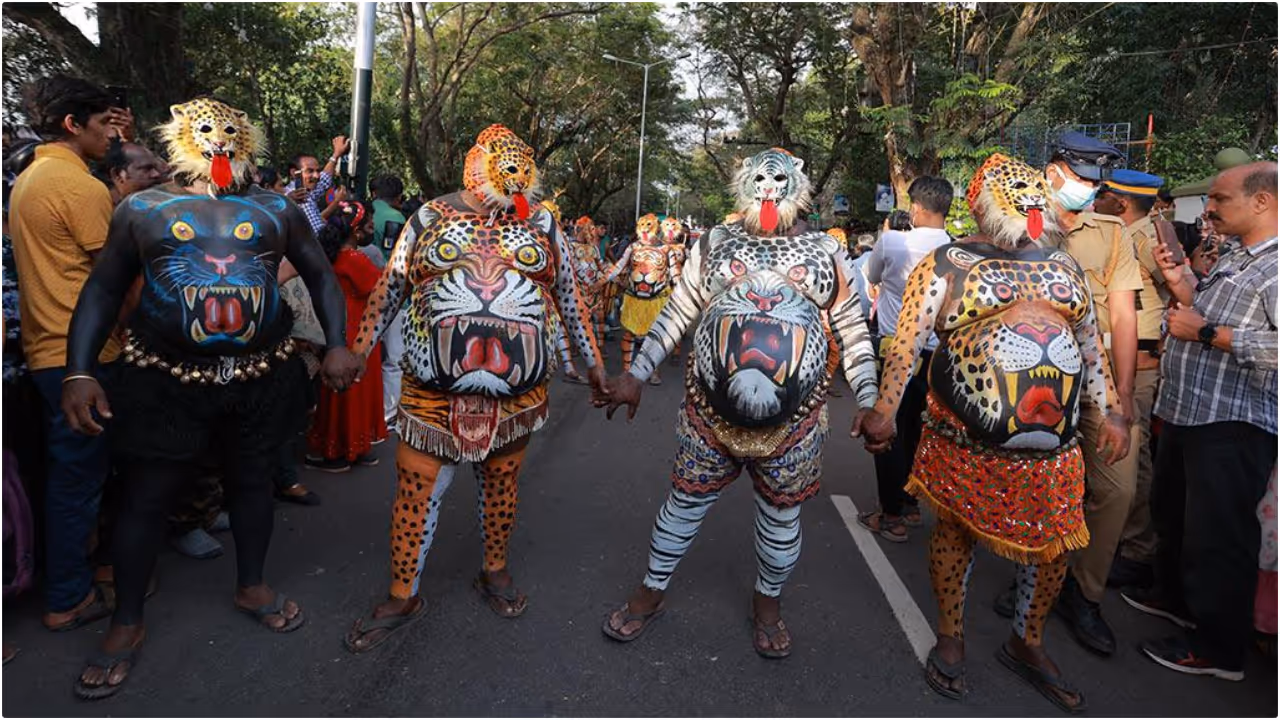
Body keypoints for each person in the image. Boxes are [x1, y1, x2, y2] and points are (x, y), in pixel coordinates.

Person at [59, 97, 361, 699]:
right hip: (163, 378)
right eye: (207, 131)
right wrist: (78, 371)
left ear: (247, 140)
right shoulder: (144, 208)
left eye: (231, 131)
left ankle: (251, 585)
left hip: (261, 374)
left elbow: (320, 274)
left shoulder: (276, 208)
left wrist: (337, 344)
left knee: (252, 483)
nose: (219, 140)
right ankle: (127, 621)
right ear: (181, 139)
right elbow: (103, 289)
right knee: (146, 496)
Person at [860, 153, 1130, 712]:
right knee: (955, 536)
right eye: (1015, 194)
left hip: (1054, 449)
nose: (1028, 204)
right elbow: (906, 343)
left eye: (1034, 193)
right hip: (963, 441)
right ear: (981, 206)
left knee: (1054, 547)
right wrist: (885, 409)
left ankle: (1027, 642)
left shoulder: (1065, 266)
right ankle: (951, 636)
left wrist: (1114, 412)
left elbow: (1090, 349)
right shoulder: (945, 262)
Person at [600, 148, 879, 658]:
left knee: (781, 520)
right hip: (708, 419)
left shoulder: (824, 251)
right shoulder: (714, 243)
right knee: (683, 505)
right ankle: (650, 593)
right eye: (759, 177)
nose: (769, 186)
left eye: (780, 179)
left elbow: (853, 329)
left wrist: (869, 399)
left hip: (793, 428)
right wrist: (636, 374)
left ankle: (766, 604)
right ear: (743, 185)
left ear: (798, 188)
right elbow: (678, 312)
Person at [342, 124, 607, 653]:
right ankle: (402, 593)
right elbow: (390, 288)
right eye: (500, 169)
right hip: (429, 393)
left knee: (501, 487)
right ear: (475, 166)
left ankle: (494, 570)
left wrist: (596, 365)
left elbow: (571, 299)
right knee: (416, 492)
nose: (511, 182)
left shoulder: (544, 224)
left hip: (517, 395)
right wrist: (356, 351)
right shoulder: (430, 216)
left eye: (520, 172)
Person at [1127, 162, 1277, 681]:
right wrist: (1182, 284)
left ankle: (1219, 649)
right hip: (1189, 410)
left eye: (1219, 198)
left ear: (1262, 202)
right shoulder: (1239, 255)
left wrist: (1208, 332)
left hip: (1233, 422)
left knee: (1221, 535)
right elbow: (1208, 310)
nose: (1208, 209)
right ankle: (1174, 599)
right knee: (1176, 515)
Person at [995, 130, 1140, 658]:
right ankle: (1029, 576)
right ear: (1054, 169)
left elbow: (1123, 314)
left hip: (1097, 381)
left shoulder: (1110, 232)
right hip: (1032, 379)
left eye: (1096, 179)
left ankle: (1084, 594)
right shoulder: (1014, 220)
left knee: (1116, 490)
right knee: (1033, 481)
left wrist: (1121, 398)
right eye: (1082, 177)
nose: (1090, 188)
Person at [8, 75, 130, 633]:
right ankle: (69, 597)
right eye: (104, 122)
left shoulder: (30, 180)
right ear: (72, 125)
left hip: (46, 351)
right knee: (79, 480)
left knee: (72, 475)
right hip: (83, 358)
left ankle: (74, 581)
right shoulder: (79, 187)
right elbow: (117, 280)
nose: (113, 134)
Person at [857, 176, 954, 543]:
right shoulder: (958, 250)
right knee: (918, 430)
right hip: (936, 356)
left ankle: (892, 514)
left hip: (897, 351)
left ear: (915, 207)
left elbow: (873, 275)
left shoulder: (893, 241)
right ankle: (911, 504)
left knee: (886, 427)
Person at [1091, 169, 1175, 589]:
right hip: (1114, 360)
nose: (1097, 198)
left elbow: (1177, 285)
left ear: (1120, 203)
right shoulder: (1121, 235)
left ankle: (1137, 549)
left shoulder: (1141, 237)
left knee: (1132, 460)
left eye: (1103, 193)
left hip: (1139, 366)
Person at [305, 201, 386, 471]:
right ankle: (351, 449)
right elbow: (383, 291)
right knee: (354, 391)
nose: (373, 228)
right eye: (369, 224)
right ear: (357, 232)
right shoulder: (355, 260)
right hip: (358, 331)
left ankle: (340, 448)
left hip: (337, 328)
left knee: (339, 393)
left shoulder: (327, 255)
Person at [604, 213, 679, 385]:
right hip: (634, 299)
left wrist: (682, 295)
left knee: (654, 338)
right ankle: (626, 372)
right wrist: (601, 281)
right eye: (642, 225)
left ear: (656, 228)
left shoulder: (666, 249)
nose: (645, 229)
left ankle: (653, 371)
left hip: (657, 300)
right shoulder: (633, 247)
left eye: (649, 225)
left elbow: (676, 275)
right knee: (629, 334)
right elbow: (618, 266)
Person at [283, 136, 350, 235]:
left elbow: (324, 179)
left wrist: (336, 155)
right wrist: (337, 202)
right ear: (294, 173)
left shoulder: (308, 191)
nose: (316, 175)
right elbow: (318, 235)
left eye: (318, 170)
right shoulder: (299, 197)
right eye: (310, 171)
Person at [102, 140, 167, 206]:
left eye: (156, 168)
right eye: (147, 168)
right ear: (118, 175)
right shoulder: (102, 210)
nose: (156, 174)